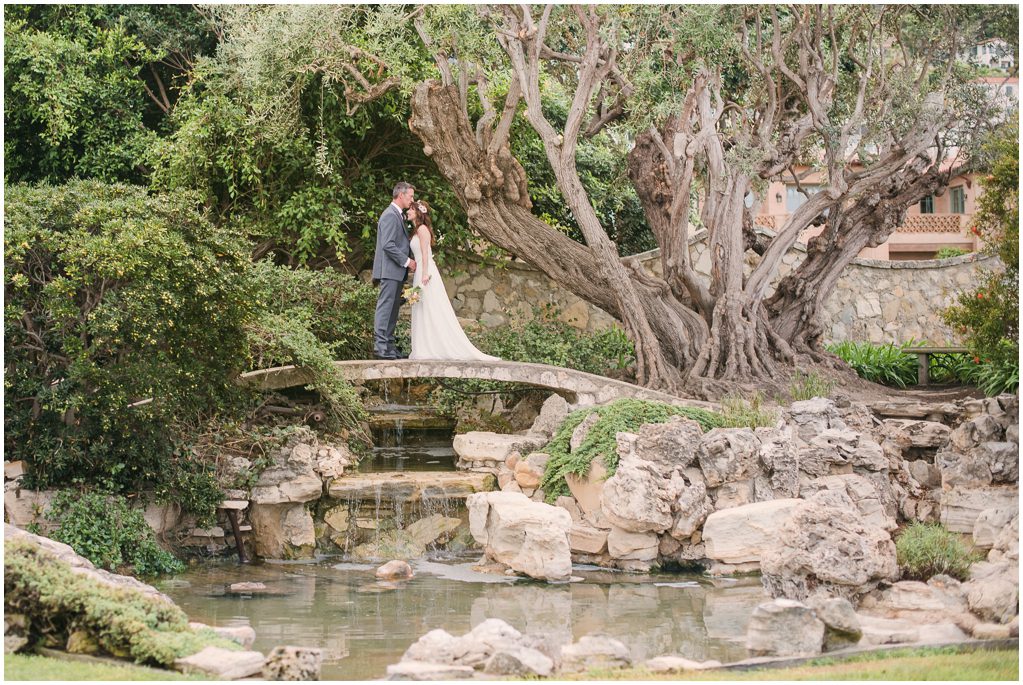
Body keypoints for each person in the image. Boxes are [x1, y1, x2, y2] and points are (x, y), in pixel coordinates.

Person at [406, 200, 500, 362]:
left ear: (418, 212)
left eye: (411, 209)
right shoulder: (416, 230)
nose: (408, 211)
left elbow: (425, 253)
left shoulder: (422, 229)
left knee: (430, 308)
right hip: (420, 270)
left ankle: (432, 347)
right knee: (422, 307)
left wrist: (425, 274)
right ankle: (424, 346)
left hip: (425, 271)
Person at [372, 182, 417, 359]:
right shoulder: (390, 215)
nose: (412, 200)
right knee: (385, 307)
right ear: (400, 195)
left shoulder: (398, 215)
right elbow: (388, 245)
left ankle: (389, 346)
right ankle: (380, 347)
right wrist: (407, 261)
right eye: (410, 196)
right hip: (390, 270)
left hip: (395, 271)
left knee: (392, 309)